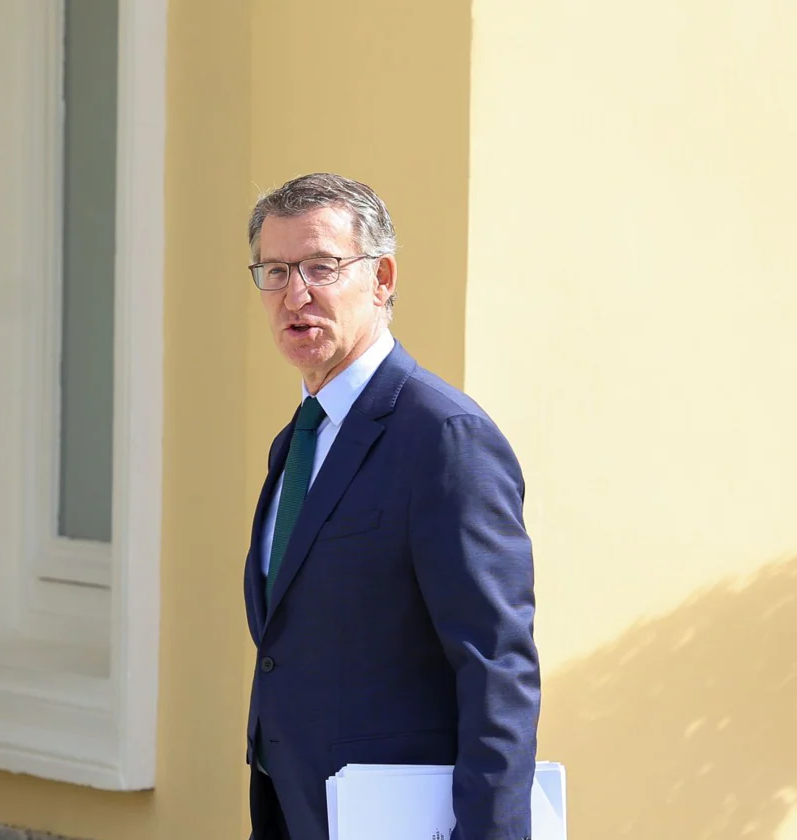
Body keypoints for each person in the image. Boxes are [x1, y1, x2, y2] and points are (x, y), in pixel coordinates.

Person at [242, 173, 540, 840]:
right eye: (276, 270)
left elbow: (498, 666)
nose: (297, 292)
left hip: (402, 819)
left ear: (381, 280)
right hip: (297, 813)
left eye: (323, 267)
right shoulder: (297, 442)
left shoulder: (443, 437)